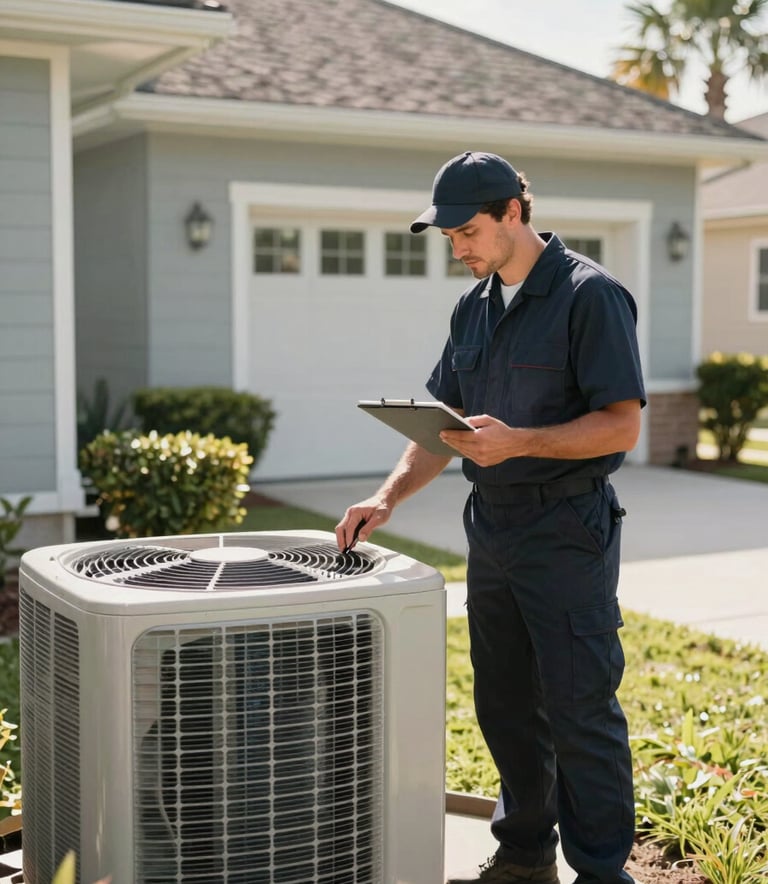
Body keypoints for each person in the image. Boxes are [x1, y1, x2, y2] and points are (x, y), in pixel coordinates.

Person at [335, 151, 646, 884]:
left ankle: (603, 873)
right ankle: (526, 852)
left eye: (467, 231)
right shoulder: (472, 308)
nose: (459, 249)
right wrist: (387, 497)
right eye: (448, 239)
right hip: (494, 530)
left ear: (513, 212)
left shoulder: (589, 296)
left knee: (579, 709)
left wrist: (521, 442)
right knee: (505, 704)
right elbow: (442, 432)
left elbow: (621, 425)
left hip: (568, 529)